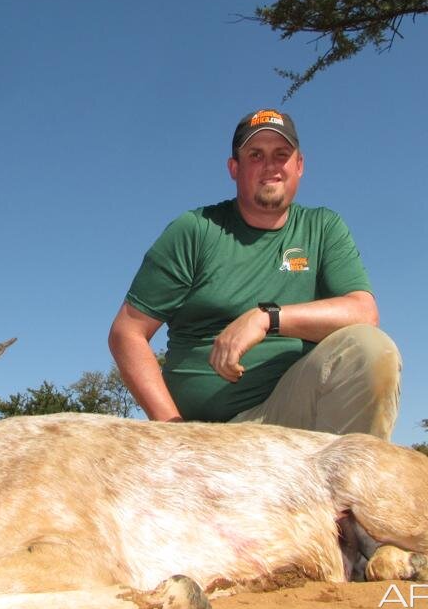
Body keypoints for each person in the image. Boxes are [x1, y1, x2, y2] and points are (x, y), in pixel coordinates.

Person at [108, 108, 401, 440]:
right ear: (234, 168)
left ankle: (349, 485)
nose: (270, 166)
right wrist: (173, 431)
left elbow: (364, 312)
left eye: (281, 155)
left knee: (370, 349)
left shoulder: (323, 228)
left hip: (291, 415)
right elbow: (127, 333)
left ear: (300, 166)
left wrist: (266, 318)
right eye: (256, 155)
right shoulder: (195, 230)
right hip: (204, 436)